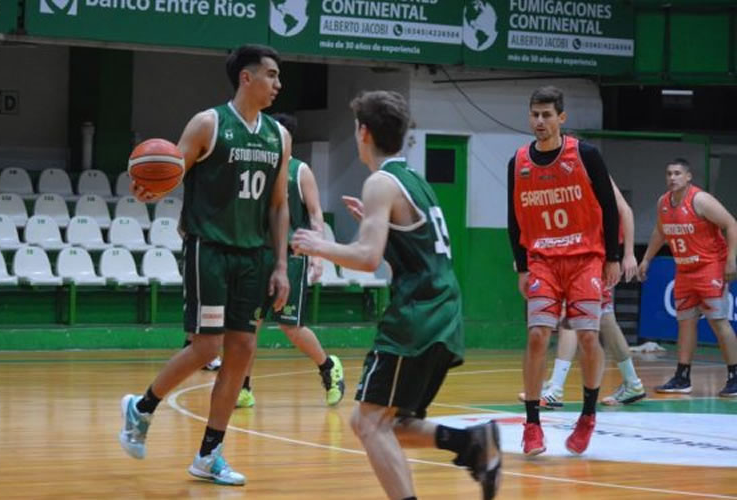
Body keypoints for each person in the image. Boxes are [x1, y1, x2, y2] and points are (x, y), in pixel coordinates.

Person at [292, 90, 501, 500]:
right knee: (392, 423)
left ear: (362, 131)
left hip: (416, 317)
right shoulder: (415, 181)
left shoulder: (380, 183)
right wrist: (380, 228)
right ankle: (473, 442)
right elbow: (411, 250)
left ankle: (466, 451)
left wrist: (318, 245)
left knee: (368, 423)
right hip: (442, 311)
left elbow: (367, 259)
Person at [118, 44, 291, 486]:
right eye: (271, 75)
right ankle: (142, 408)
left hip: (254, 256)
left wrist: (281, 265)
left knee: (242, 352)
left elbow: (278, 205)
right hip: (209, 249)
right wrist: (153, 190)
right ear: (246, 78)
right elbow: (170, 170)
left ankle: (209, 454)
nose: (278, 84)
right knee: (206, 348)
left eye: (278, 76)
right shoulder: (208, 124)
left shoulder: (278, 136)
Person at [508, 85, 621, 457]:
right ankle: (532, 424)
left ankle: (587, 415)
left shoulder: (585, 155)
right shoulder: (519, 161)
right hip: (542, 259)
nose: (539, 122)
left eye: (546, 115)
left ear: (561, 118)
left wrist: (614, 258)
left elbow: (609, 207)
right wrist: (522, 265)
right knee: (538, 334)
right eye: (534, 114)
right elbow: (513, 218)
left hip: (586, 257)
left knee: (589, 337)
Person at [235, 113, 345, 409]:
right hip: (259, 254)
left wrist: (318, 254)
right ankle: (243, 388)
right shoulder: (259, 166)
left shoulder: (301, 170)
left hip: (292, 256)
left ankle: (328, 367)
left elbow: (316, 214)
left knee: (290, 327)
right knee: (249, 327)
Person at [518, 178, 646, 407]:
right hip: (578, 253)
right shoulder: (553, 178)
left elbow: (625, 210)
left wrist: (627, 254)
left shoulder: (590, 171)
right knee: (606, 320)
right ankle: (633, 383)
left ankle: (556, 389)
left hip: (594, 255)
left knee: (572, 316)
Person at [638, 158, 737, 397]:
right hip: (684, 269)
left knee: (717, 321)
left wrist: (732, 260)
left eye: (677, 173)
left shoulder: (700, 200)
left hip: (709, 267)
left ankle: (735, 375)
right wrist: (646, 259)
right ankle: (682, 377)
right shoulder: (664, 202)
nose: (672, 178)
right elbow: (660, 232)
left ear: (688, 177)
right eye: (669, 173)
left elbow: (731, 224)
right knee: (685, 322)